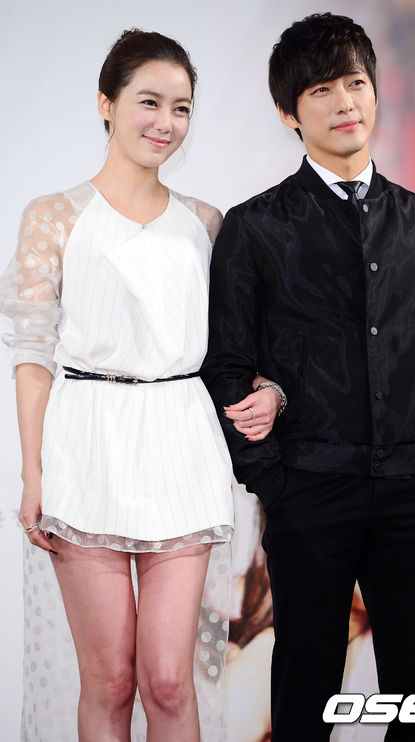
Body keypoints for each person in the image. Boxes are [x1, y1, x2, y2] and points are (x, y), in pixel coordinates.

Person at [201, 13, 415, 742]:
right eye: (322, 90)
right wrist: (273, 482)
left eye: (356, 83)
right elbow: (227, 367)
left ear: (376, 91)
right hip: (309, 494)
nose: (345, 103)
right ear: (288, 112)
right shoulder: (255, 228)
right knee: (304, 698)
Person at [0, 29, 282, 742]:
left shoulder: (206, 225)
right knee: (109, 681)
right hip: (85, 447)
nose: (166, 122)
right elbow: (31, 355)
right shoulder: (53, 216)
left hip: (181, 445)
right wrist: (33, 474)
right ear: (107, 103)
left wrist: (269, 389)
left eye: (181, 108)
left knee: (167, 680)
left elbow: (243, 344)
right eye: (149, 102)